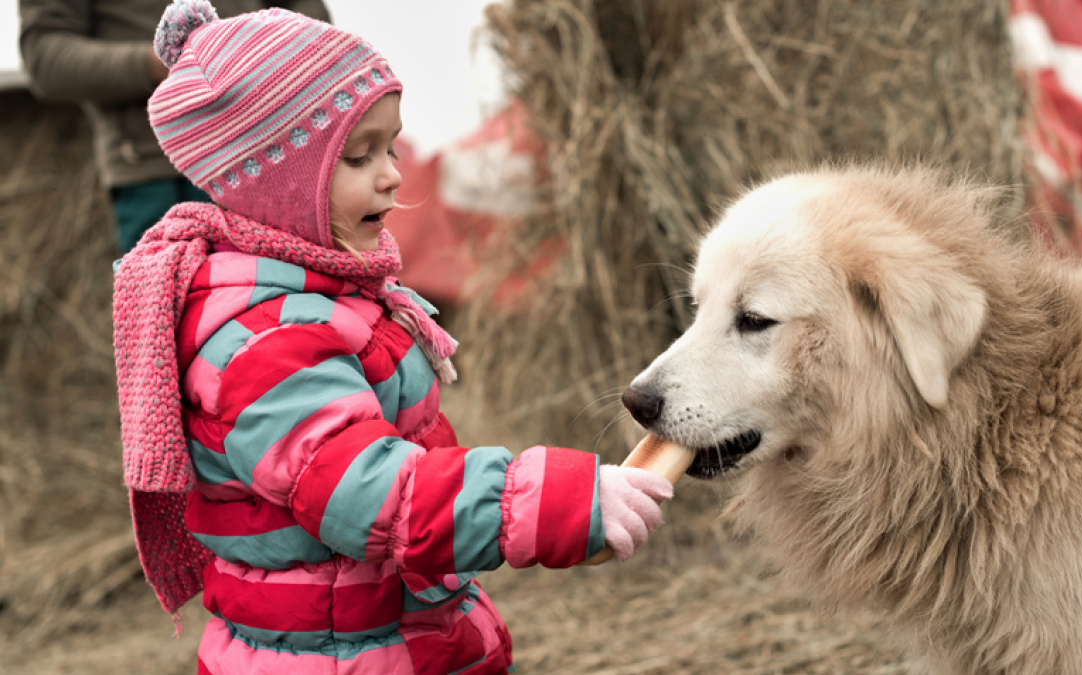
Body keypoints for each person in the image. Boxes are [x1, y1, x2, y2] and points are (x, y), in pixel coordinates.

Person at [110, 2, 674, 673]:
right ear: (275, 184)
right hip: (332, 654)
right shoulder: (264, 339)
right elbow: (372, 493)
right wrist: (560, 500)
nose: (393, 173)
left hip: (384, 631)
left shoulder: (328, 293)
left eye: (391, 144)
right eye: (358, 155)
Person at [18, 0, 330, 254]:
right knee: (176, 321)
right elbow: (45, 55)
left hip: (281, 148)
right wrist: (161, 63)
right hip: (158, 172)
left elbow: (306, 9)